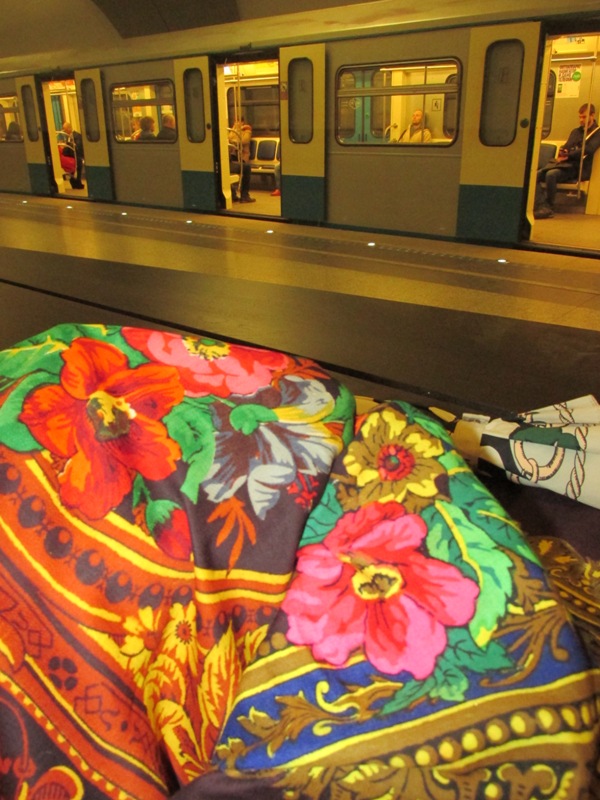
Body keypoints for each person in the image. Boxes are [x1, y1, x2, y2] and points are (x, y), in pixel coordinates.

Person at [535, 103, 600, 218]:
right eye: (580, 117)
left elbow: (589, 149)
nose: (581, 120)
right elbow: (568, 145)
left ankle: (549, 207)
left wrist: (569, 155)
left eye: (584, 117)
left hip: (578, 167)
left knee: (551, 175)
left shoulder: (597, 133)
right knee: (536, 175)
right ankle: (541, 205)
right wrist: (564, 151)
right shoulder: (576, 132)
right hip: (566, 165)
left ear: (592, 115)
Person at [228, 119, 255, 203]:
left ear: (242, 122)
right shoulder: (233, 130)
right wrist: (235, 130)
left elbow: (244, 141)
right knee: (246, 168)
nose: (236, 123)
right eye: (235, 121)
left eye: (238, 121)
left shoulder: (247, 130)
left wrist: (236, 135)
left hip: (242, 155)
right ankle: (239, 194)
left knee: (245, 167)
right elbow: (229, 138)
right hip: (233, 156)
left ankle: (242, 195)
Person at [57, 121, 85, 189]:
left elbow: (78, 146)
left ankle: (77, 182)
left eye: (65, 129)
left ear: (69, 128)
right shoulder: (68, 137)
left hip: (76, 155)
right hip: (70, 156)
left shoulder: (77, 136)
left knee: (77, 165)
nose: (64, 131)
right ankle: (74, 183)